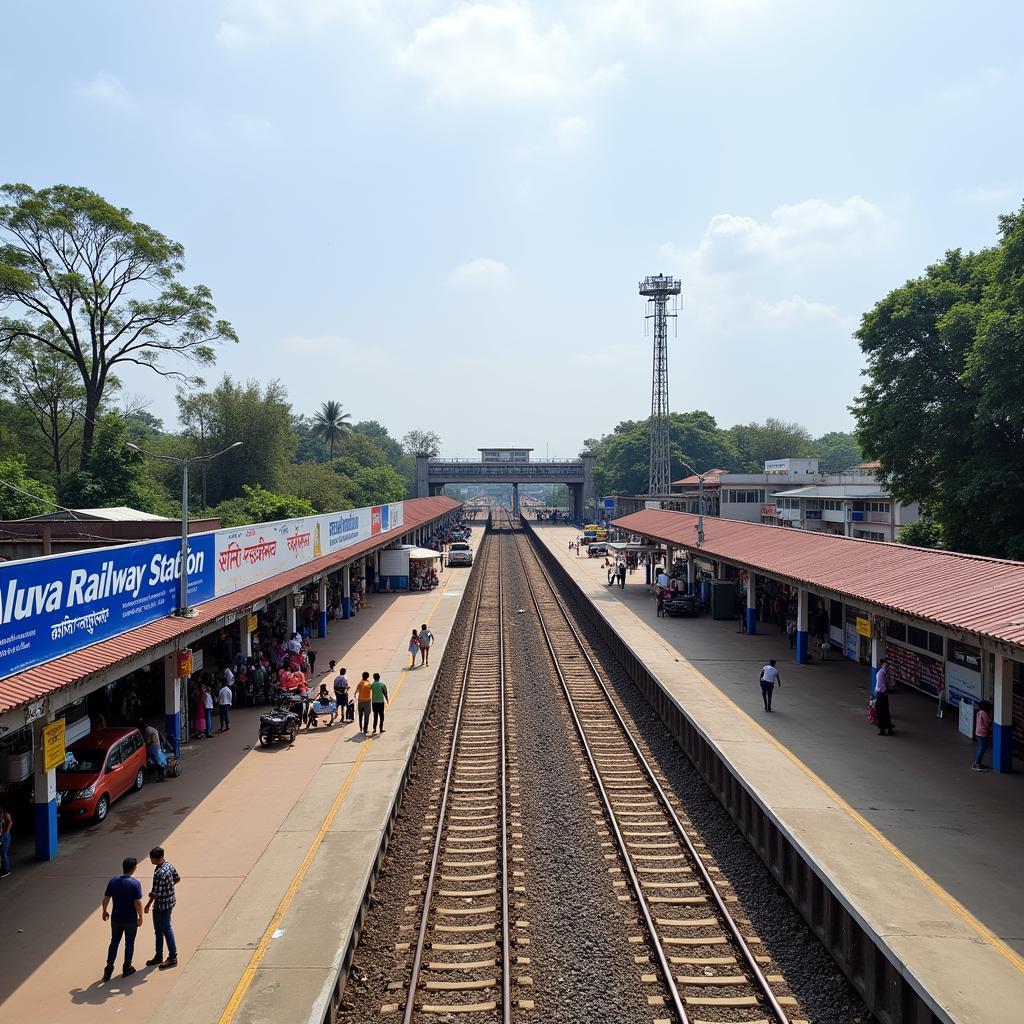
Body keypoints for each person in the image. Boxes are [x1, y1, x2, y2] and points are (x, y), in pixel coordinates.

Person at [102, 856, 144, 981]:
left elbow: (106, 898)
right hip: (130, 919)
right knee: (129, 943)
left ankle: (108, 970)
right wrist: (141, 916)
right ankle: (127, 968)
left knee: (114, 942)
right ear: (133, 869)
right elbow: (137, 902)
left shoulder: (113, 881)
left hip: (116, 919)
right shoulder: (135, 883)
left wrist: (104, 911)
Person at [144, 846, 179, 970]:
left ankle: (173, 956)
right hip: (170, 901)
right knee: (159, 929)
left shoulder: (159, 873)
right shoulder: (168, 865)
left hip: (162, 905)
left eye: (151, 858)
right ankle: (158, 956)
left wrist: (147, 905)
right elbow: (177, 878)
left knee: (164, 929)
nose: (150, 860)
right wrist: (168, 888)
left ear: (156, 858)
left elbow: (155, 893)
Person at [874, 659, 894, 736]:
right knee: (885, 712)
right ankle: (888, 729)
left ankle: (883, 729)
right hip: (883, 694)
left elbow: (879, 685)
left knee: (881, 712)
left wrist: (875, 692)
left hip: (881, 694)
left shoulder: (881, 672)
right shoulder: (883, 672)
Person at [972, 700, 992, 771]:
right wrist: (990, 728)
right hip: (982, 733)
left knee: (981, 748)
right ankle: (977, 764)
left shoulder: (979, 712)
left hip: (978, 732)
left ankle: (977, 762)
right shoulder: (984, 713)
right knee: (982, 748)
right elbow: (987, 722)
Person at [0, 803, 12, 878]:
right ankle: (3, 868)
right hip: (2, 835)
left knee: (3, 853)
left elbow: (10, 823)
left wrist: (5, 832)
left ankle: (6, 870)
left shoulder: (6, 815)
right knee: (2, 853)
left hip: (5, 835)